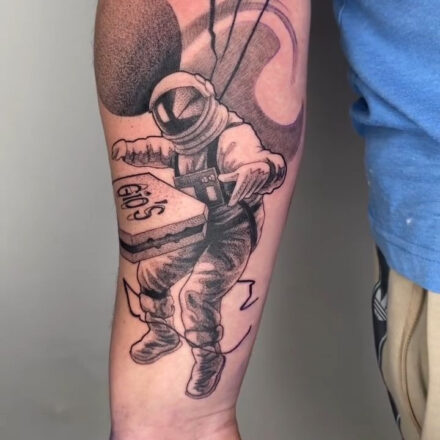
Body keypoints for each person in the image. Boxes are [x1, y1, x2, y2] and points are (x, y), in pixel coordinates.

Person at [94, 1, 439, 439]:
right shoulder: (181, 146)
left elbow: (262, 161)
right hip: (208, 224)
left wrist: (257, 172)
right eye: (172, 115)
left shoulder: (233, 140)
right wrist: (134, 151)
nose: (179, 118)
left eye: (185, 108)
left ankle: (206, 358)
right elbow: (158, 151)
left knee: (198, 294)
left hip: (234, 230)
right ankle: (161, 332)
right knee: (154, 276)